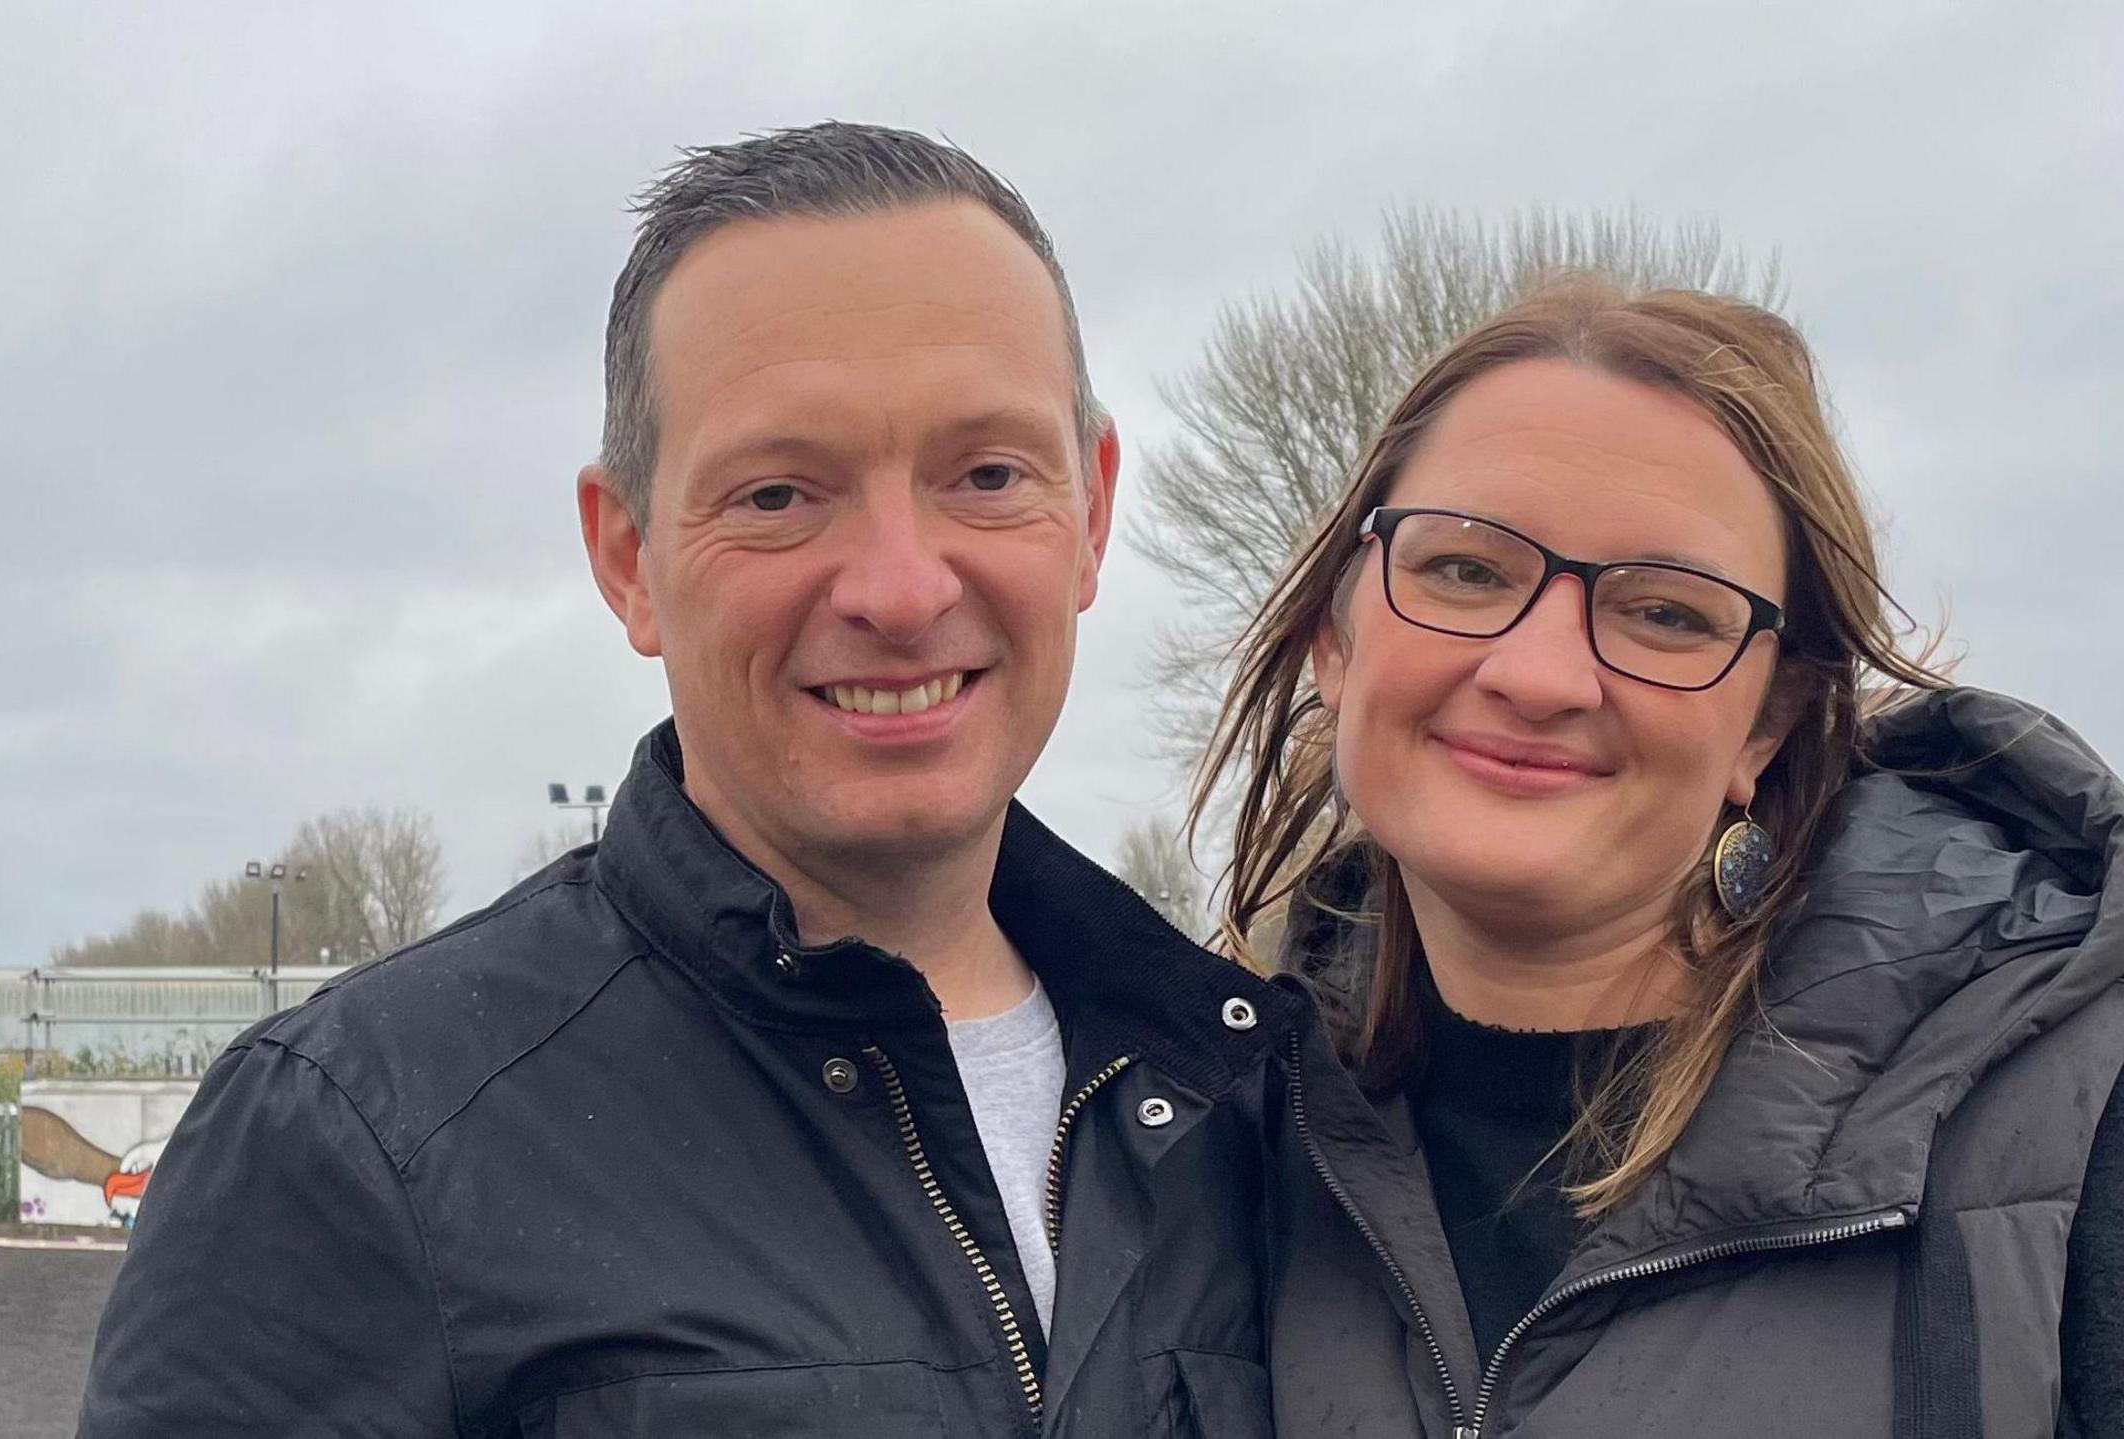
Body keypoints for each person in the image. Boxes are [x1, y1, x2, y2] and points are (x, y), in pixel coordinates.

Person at [80, 123, 1285, 1437]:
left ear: (1094, 510)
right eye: (778, 493)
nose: (899, 586)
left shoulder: (1261, 1108)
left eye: (987, 474)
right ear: (626, 554)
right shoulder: (360, 1140)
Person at [1196, 278, 2124, 1438]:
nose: (1539, 673)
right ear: (1335, 635)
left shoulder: (2080, 1120)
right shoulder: (1193, 1135)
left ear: (1764, 724)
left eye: (1666, 611)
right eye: (1464, 567)